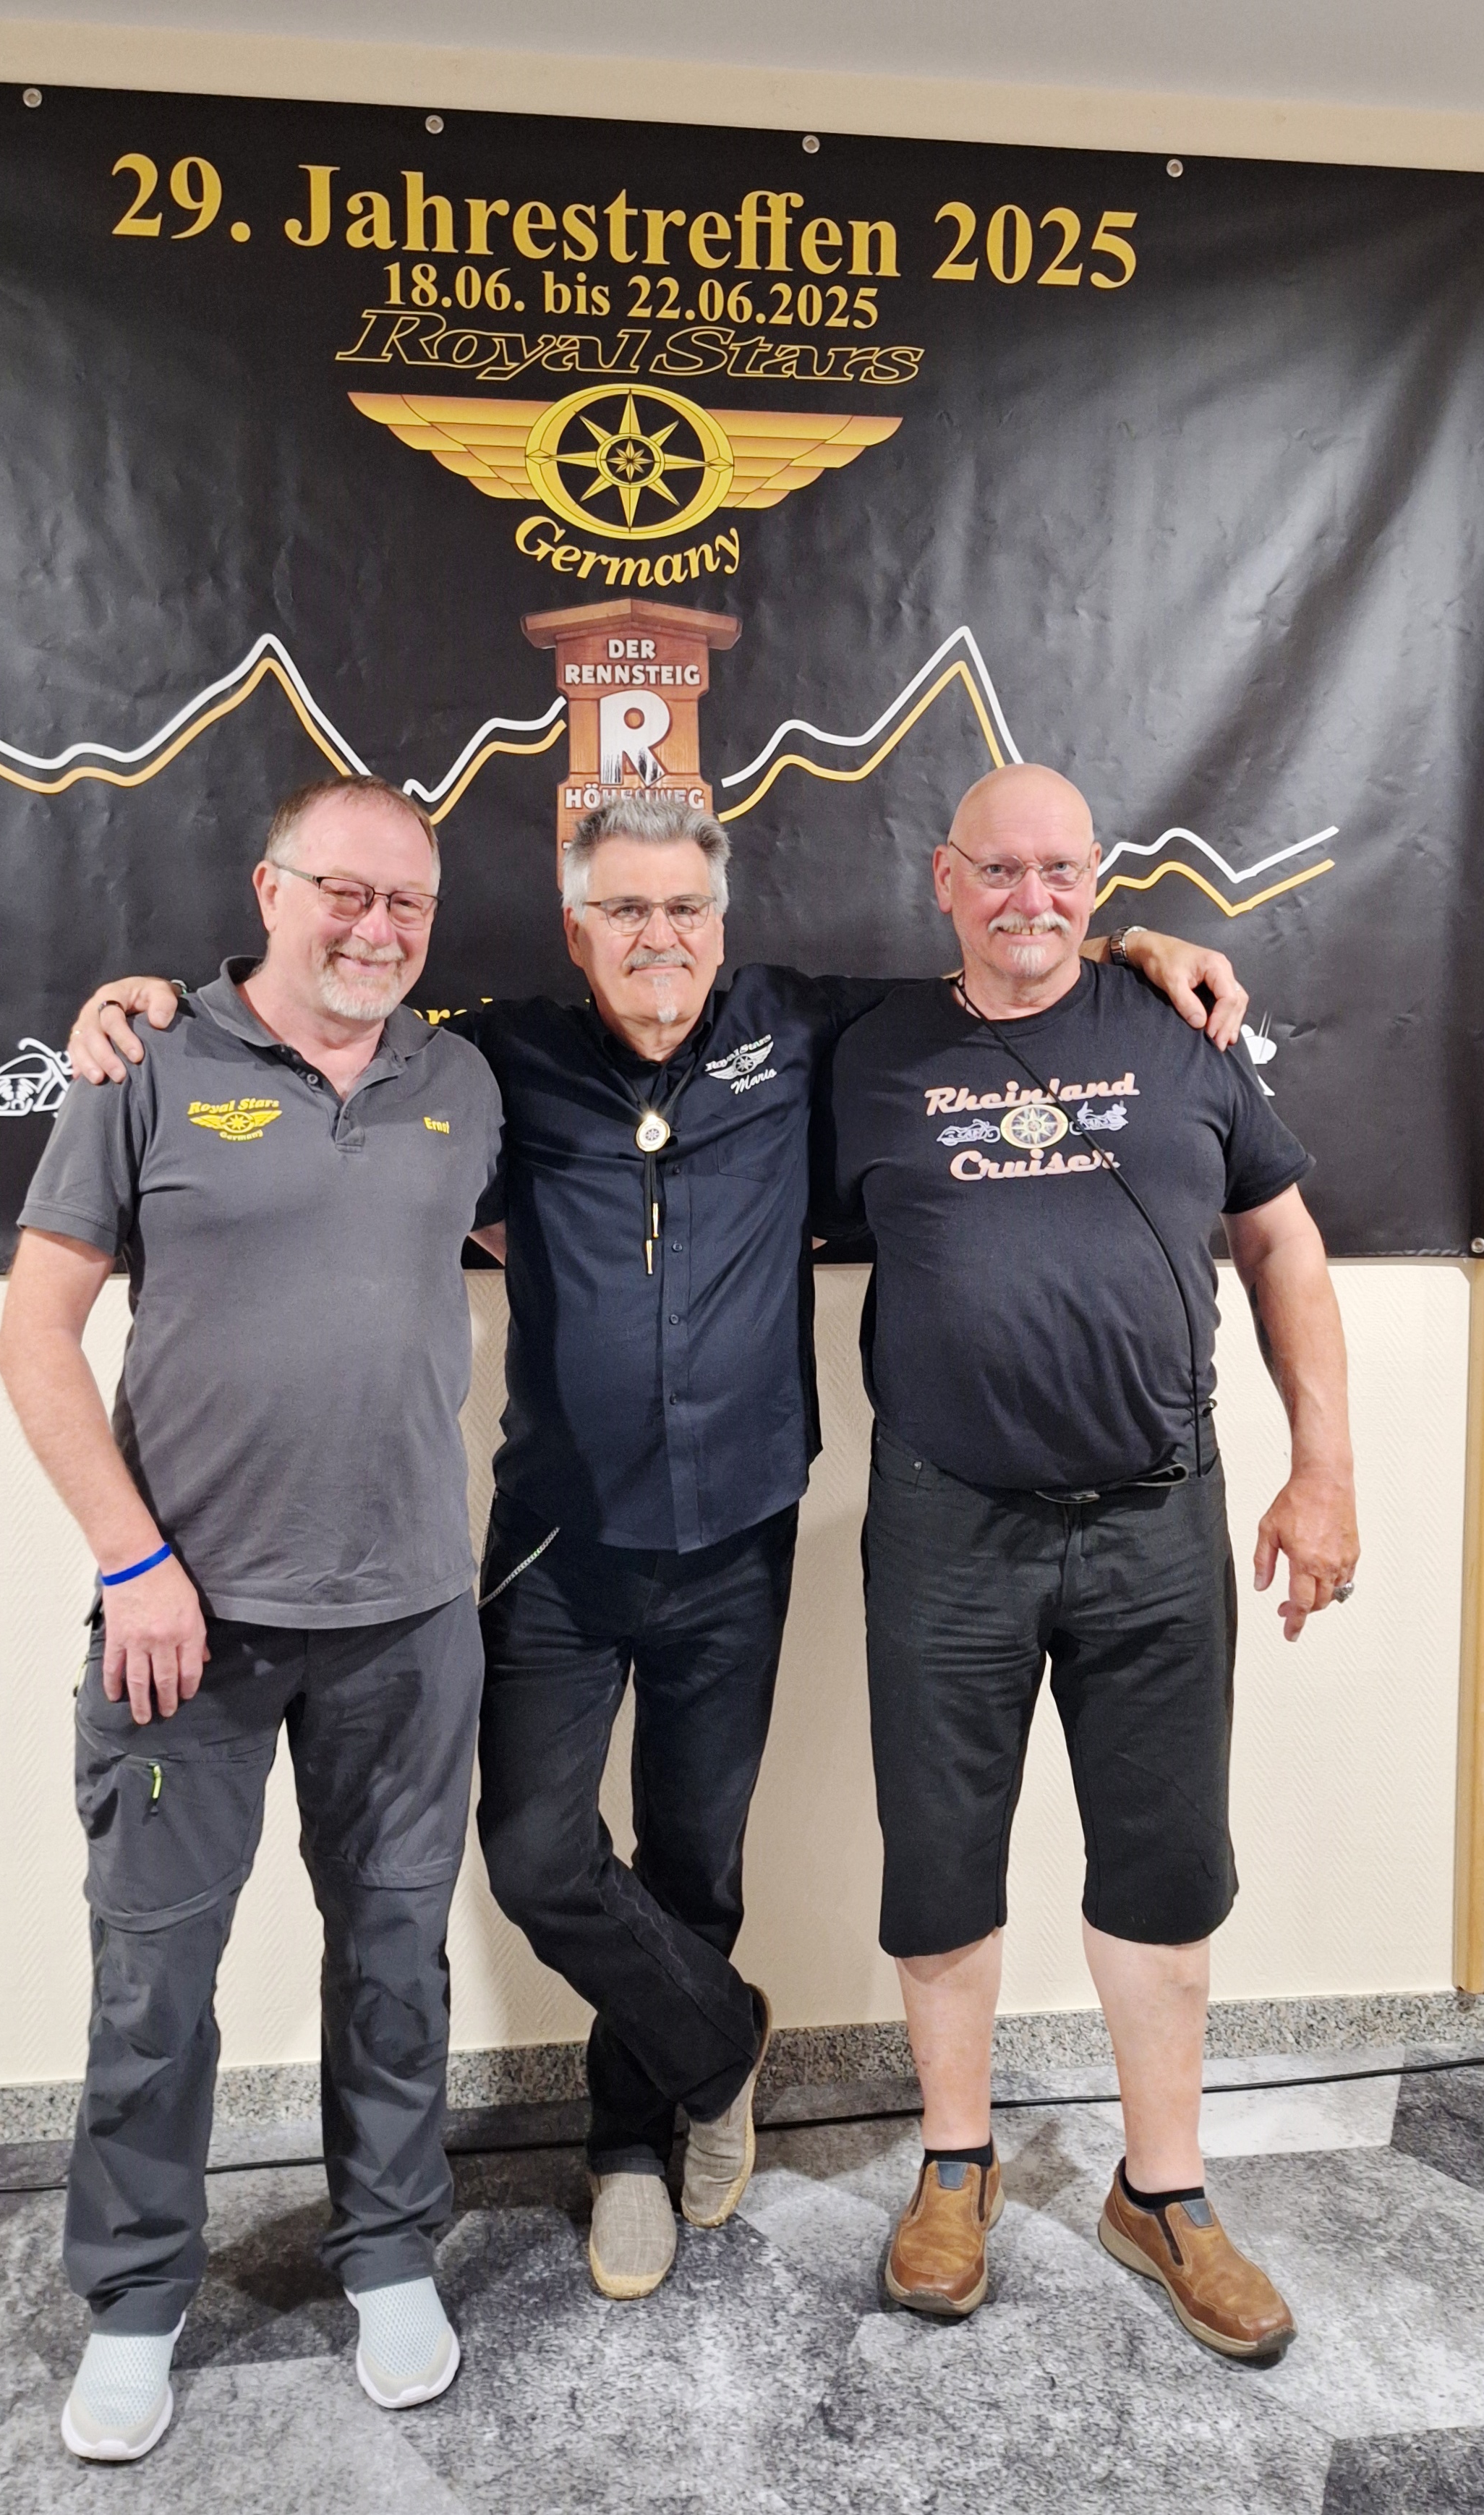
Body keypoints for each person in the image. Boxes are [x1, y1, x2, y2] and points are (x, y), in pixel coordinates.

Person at [67, 793, 1248, 2306]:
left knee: (695, 1860)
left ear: (721, 922)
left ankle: (631, 2143)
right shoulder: (491, 1057)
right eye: (624, 910)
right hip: (558, 1537)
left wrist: (1141, 946)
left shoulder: (803, 1026)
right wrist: (157, 1002)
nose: (658, 937)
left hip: (738, 1532)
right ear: (576, 929)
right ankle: (716, 2043)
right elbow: (316, 1021)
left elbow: (1014, 960)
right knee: (534, 1851)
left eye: (685, 908)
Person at [0, 775, 502, 2461]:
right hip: (183, 1627)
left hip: (409, 1614)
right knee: (153, 1974)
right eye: (343, 890)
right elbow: (34, 1335)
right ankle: (138, 2294)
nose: (375, 926)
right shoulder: (146, 1062)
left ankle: (390, 2249)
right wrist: (130, 1561)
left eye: (407, 902)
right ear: (270, 888)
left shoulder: (460, 1081)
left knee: (396, 1952)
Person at [824, 762, 1357, 2362]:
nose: (1031, 898)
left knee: (1164, 1864)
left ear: (1098, 881)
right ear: (943, 879)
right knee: (938, 1860)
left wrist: (1323, 1469)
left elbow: (1280, 1240)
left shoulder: (1180, 1033)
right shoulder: (869, 1047)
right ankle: (954, 2165)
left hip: (1154, 1519)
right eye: (999, 870)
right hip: (946, 1520)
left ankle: (1162, 2191)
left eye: (1062, 871)